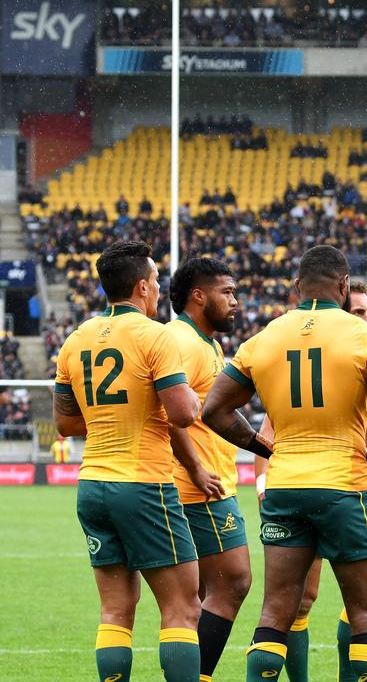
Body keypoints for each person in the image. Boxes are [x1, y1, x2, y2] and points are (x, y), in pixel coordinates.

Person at [202, 245, 367, 682]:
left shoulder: (263, 339)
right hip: (347, 487)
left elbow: (214, 410)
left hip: (285, 487)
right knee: (366, 615)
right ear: (343, 286)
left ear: (296, 288)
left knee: (275, 611)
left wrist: (265, 449)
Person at [53, 241, 216, 682]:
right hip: (143, 484)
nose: (160, 290)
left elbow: (66, 424)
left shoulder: (75, 339)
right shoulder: (154, 334)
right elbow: (184, 413)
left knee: (115, 611)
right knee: (183, 609)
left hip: (92, 486)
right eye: (158, 282)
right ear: (142, 286)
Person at [252, 279, 367, 682]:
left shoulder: (277, 340)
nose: (364, 318)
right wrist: (261, 480)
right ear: (339, 299)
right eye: (356, 311)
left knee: (313, 605)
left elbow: (365, 427)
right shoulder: (359, 346)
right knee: (334, 605)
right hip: (342, 487)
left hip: (298, 487)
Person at [166, 257, 253, 682]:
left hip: (207, 484)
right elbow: (167, 414)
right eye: (227, 292)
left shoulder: (208, 344)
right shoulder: (181, 341)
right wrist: (198, 468)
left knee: (198, 597)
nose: (235, 302)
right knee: (234, 582)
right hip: (200, 489)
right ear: (198, 296)